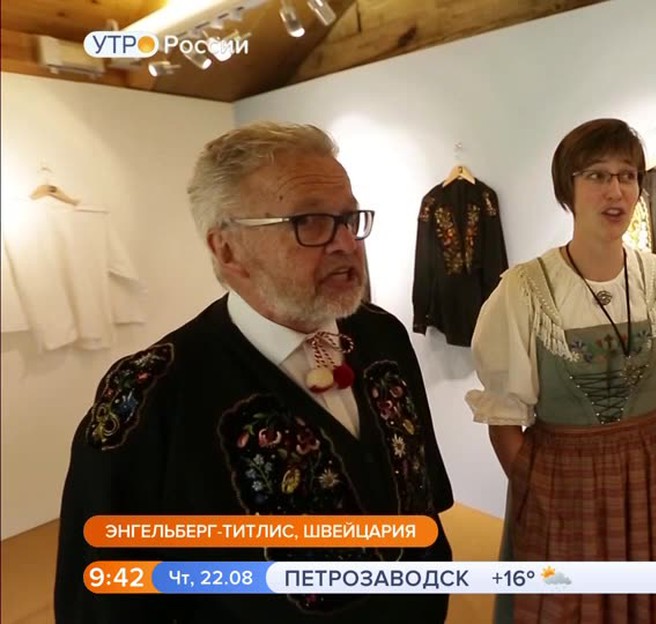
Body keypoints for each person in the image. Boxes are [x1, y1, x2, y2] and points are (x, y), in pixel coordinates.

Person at [54, 122, 455, 623]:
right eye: (310, 221)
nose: (346, 243)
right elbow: (102, 596)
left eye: (349, 219)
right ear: (228, 250)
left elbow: (420, 492)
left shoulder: (382, 335)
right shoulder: (149, 394)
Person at [465, 118, 656, 623]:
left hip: (653, 472)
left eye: (627, 175)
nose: (615, 191)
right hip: (561, 477)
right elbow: (505, 414)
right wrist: (539, 488)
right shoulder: (526, 290)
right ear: (568, 187)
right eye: (597, 175)